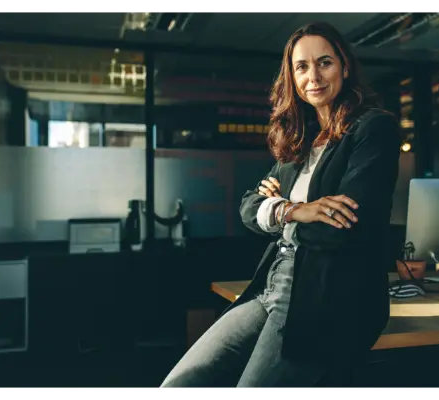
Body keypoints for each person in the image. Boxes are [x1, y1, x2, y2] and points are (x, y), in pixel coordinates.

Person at [159, 21, 400, 391]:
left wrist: (279, 210)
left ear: (345, 67)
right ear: (292, 75)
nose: (313, 76)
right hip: (270, 286)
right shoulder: (299, 140)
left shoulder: (372, 129)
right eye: (302, 67)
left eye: (325, 62)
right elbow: (247, 207)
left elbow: (345, 227)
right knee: (178, 386)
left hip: (323, 297)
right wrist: (293, 210)